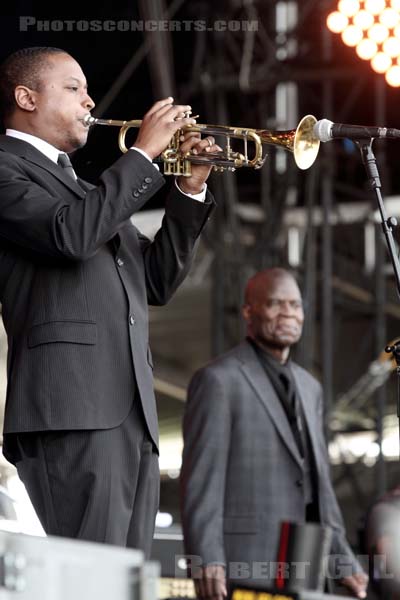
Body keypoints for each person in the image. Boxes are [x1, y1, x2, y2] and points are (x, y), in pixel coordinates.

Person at [0, 46, 219, 557]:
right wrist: (142, 156)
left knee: (122, 579)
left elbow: (157, 281)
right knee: (90, 577)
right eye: (73, 88)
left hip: (128, 412)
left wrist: (188, 190)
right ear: (26, 97)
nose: (90, 100)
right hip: (71, 409)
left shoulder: (81, 187)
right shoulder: (8, 169)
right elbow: (69, 236)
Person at [180, 268, 368, 598]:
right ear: (248, 311)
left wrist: (343, 560)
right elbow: (200, 483)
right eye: (275, 304)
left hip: (305, 556)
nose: (288, 313)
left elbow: (319, 487)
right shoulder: (218, 380)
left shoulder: (310, 388)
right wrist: (205, 559)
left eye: (295, 305)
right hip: (246, 557)